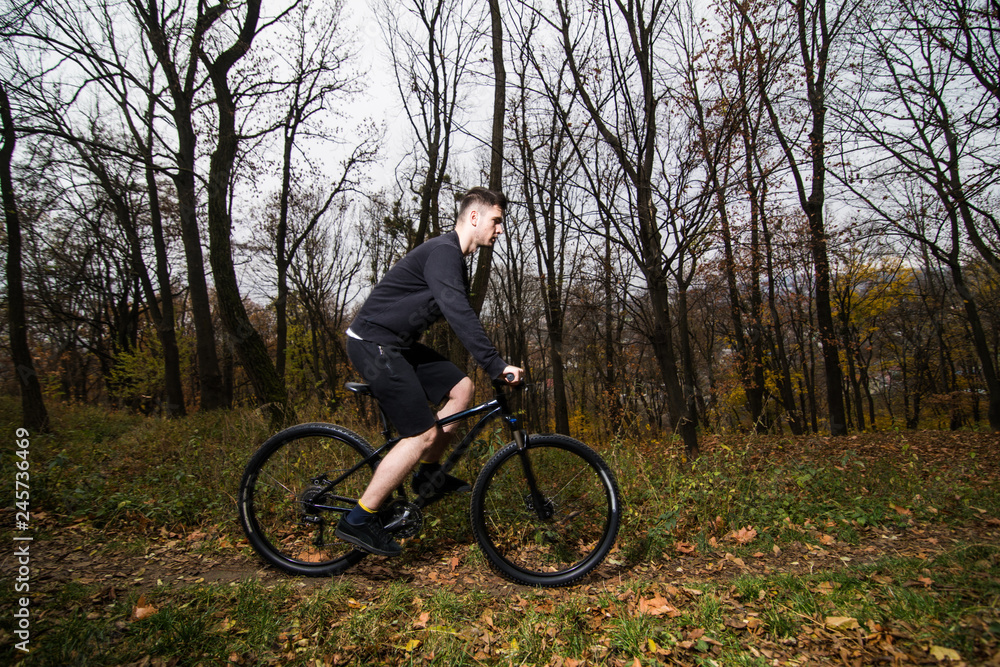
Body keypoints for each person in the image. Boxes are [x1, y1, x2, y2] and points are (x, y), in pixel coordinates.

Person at [336, 187, 523, 556]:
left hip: (397, 343)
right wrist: (496, 364)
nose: (500, 230)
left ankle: (427, 475)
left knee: (461, 388)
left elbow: (450, 311)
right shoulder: (444, 252)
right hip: (374, 344)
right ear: (474, 217)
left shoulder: (453, 257)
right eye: (496, 221)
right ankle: (357, 520)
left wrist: (487, 365)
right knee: (421, 432)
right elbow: (457, 312)